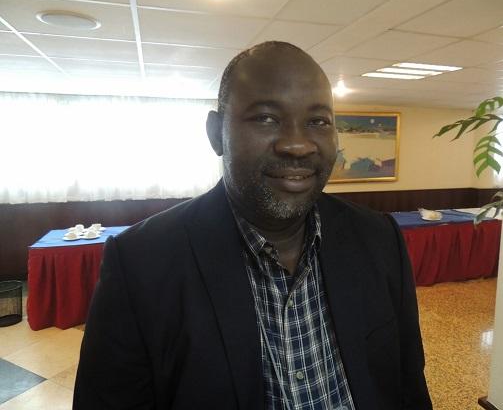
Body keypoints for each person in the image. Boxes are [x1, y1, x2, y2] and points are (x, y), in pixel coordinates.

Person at [74, 41, 432, 410]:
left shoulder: (379, 238)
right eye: (265, 118)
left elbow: (409, 385)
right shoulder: (140, 265)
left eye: (318, 121)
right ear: (216, 134)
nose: (297, 145)